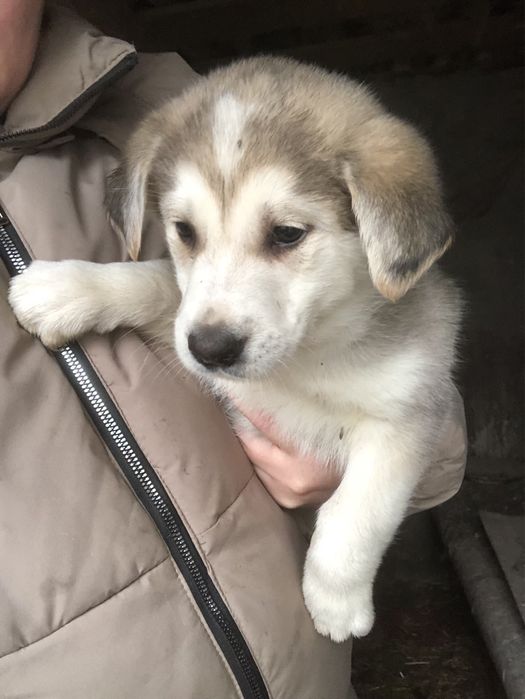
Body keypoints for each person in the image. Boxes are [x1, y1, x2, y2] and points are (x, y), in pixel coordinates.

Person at [0, 2, 467, 696]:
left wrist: (342, 555)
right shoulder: (162, 140)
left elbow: (415, 424)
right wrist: (106, 288)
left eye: (284, 235)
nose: (213, 316)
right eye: (186, 233)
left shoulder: (144, 97)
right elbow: (176, 294)